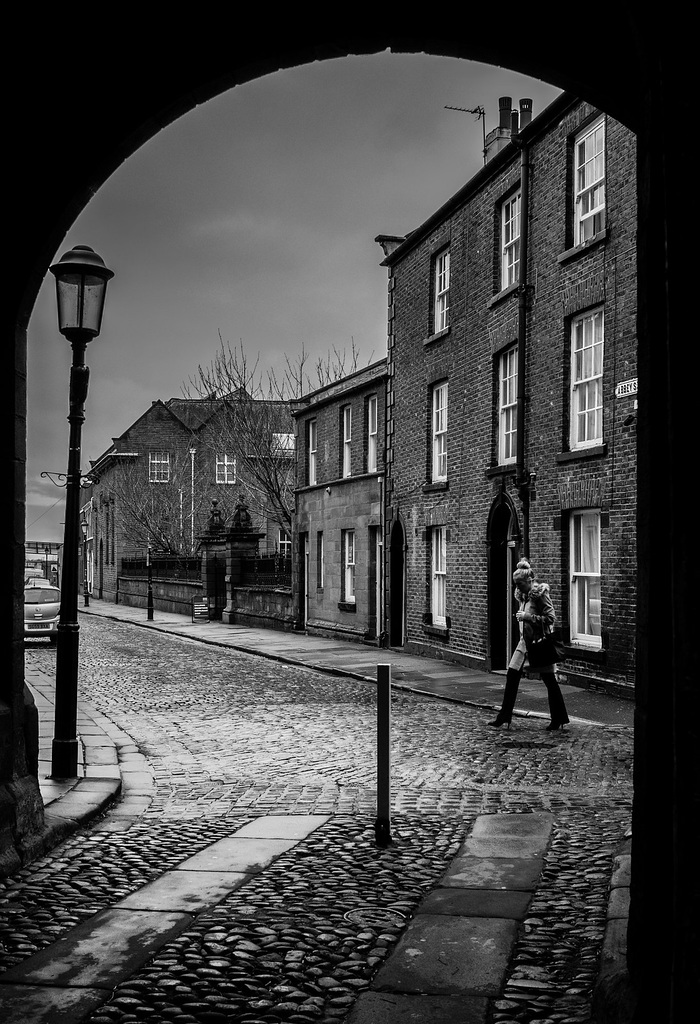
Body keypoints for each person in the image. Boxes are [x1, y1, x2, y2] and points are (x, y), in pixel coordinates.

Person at [489, 558, 570, 731]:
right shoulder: (523, 596)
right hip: (524, 644)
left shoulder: (540, 595)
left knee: (549, 680)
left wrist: (527, 618)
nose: (517, 588)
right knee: (511, 675)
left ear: (529, 581)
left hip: (539, 644)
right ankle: (504, 716)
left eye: (520, 584)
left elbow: (550, 618)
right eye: (515, 584)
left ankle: (559, 718)